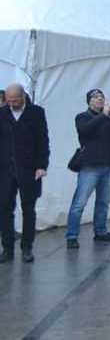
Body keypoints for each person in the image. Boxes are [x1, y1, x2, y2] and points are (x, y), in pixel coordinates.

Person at [66, 89, 110, 248]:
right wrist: (103, 115)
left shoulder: (109, 118)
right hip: (89, 167)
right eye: (96, 97)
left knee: (103, 202)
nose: (100, 99)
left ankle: (100, 232)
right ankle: (72, 236)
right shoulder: (82, 117)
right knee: (79, 203)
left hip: (108, 166)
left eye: (102, 97)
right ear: (89, 101)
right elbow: (85, 130)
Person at [0, 84, 49, 263]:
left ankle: (27, 247)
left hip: (30, 171)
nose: (12, 104)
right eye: (9, 101)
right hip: (5, 171)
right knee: (4, 210)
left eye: (15, 100)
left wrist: (42, 166)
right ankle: (7, 248)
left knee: (28, 209)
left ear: (23, 97)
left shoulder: (37, 113)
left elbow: (43, 141)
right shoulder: (2, 113)